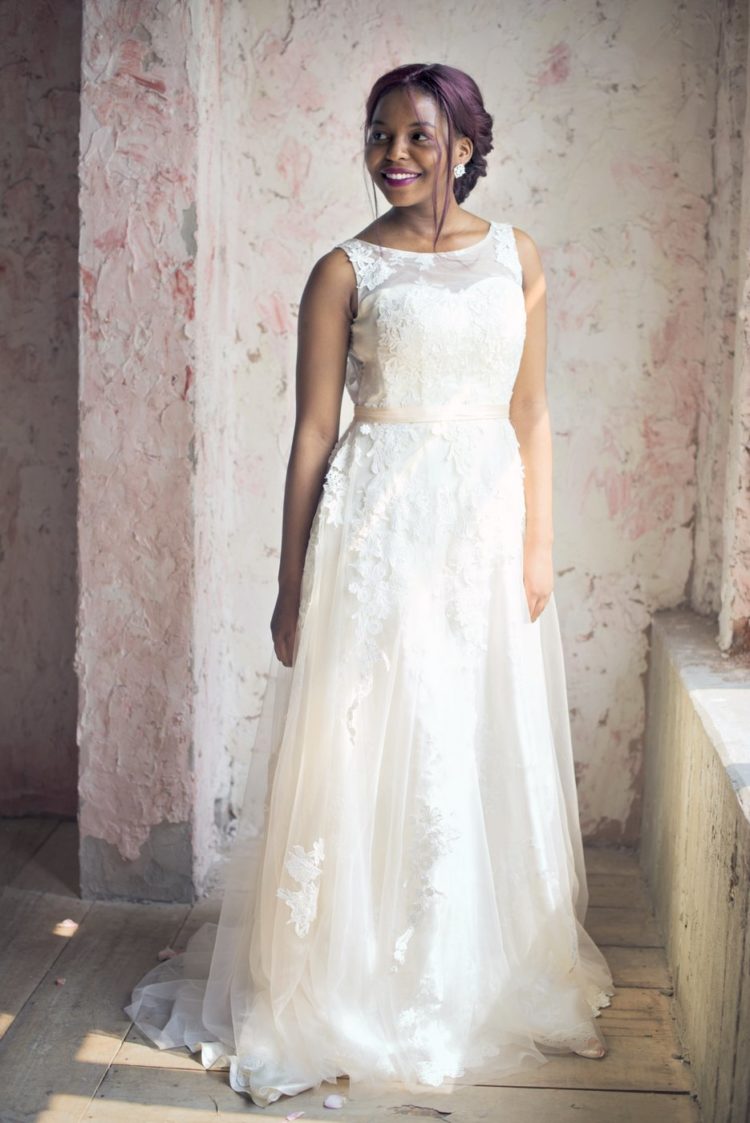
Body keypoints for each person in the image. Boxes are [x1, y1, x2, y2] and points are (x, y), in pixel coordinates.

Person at [126, 61, 615, 1109]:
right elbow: (312, 432)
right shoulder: (344, 270)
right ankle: (345, 980)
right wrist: (290, 577)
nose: (394, 154)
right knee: (367, 743)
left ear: (465, 149)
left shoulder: (517, 259)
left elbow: (530, 412)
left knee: (467, 738)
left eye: (418, 137)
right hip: (374, 522)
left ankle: (465, 974)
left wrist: (539, 542)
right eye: (380, 136)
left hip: (480, 528)